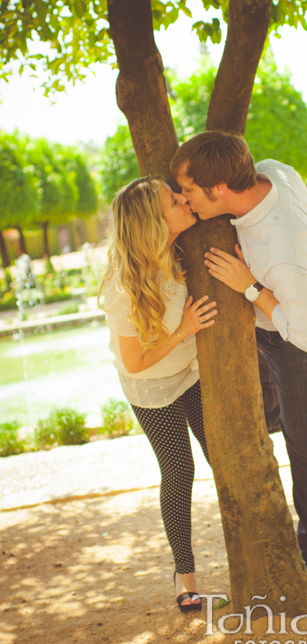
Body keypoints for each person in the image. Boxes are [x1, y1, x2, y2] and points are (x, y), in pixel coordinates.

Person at [171, 131, 307, 587]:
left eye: (188, 190)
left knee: (303, 441)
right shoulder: (274, 171)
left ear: (220, 189)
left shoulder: (280, 252)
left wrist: (251, 287)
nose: (183, 198)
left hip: (298, 331)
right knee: (266, 420)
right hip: (273, 317)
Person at [99, 176, 218, 612]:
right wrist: (182, 330)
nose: (184, 198)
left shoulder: (182, 249)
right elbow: (135, 361)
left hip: (194, 370)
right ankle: (184, 578)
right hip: (152, 386)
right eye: (173, 199)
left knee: (222, 455)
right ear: (154, 220)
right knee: (179, 470)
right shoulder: (123, 285)